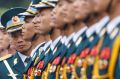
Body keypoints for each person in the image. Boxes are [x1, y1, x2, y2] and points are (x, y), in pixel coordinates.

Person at [0, 7, 32, 79]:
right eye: (14, 36)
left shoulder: (46, 57)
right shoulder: (3, 67)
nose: (19, 40)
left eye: (22, 34)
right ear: (9, 38)